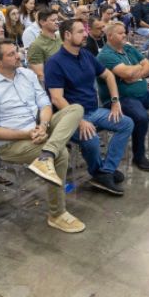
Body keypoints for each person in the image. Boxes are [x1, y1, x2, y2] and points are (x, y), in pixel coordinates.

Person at [0, 40, 87, 233]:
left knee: (75, 109)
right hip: (11, 143)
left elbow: (45, 104)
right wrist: (27, 133)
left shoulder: (26, 74)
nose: (18, 55)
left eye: (16, 51)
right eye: (11, 54)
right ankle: (57, 213)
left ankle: (47, 154)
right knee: (62, 154)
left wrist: (43, 125)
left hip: (38, 128)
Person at [42, 19, 134, 196]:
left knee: (126, 123)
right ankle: (98, 172)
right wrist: (79, 120)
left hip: (93, 111)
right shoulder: (55, 62)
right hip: (68, 117)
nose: (85, 34)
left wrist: (115, 101)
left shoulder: (85, 55)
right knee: (91, 139)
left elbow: (108, 76)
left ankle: (105, 171)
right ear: (67, 35)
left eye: (84, 30)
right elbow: (56, 98)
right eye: (79, 32)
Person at [98, 22, 149, 170]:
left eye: (125, 32)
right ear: (109, 36)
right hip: (121, 98)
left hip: (142, 93)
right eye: (120, 33)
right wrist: (136, 70)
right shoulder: (105, 55)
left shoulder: (128, 48)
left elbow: (148, 65)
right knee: (142, 117)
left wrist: (135, 74)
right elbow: (127, 73)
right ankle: (139, 155)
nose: (125, 35)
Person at [24, 8, 62, 83]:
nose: (57, 22)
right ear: (42, 22)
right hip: (54, 84)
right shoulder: (36, 46)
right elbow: (40, 76)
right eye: (53, 20)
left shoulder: (61, 38)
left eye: (57, 19)